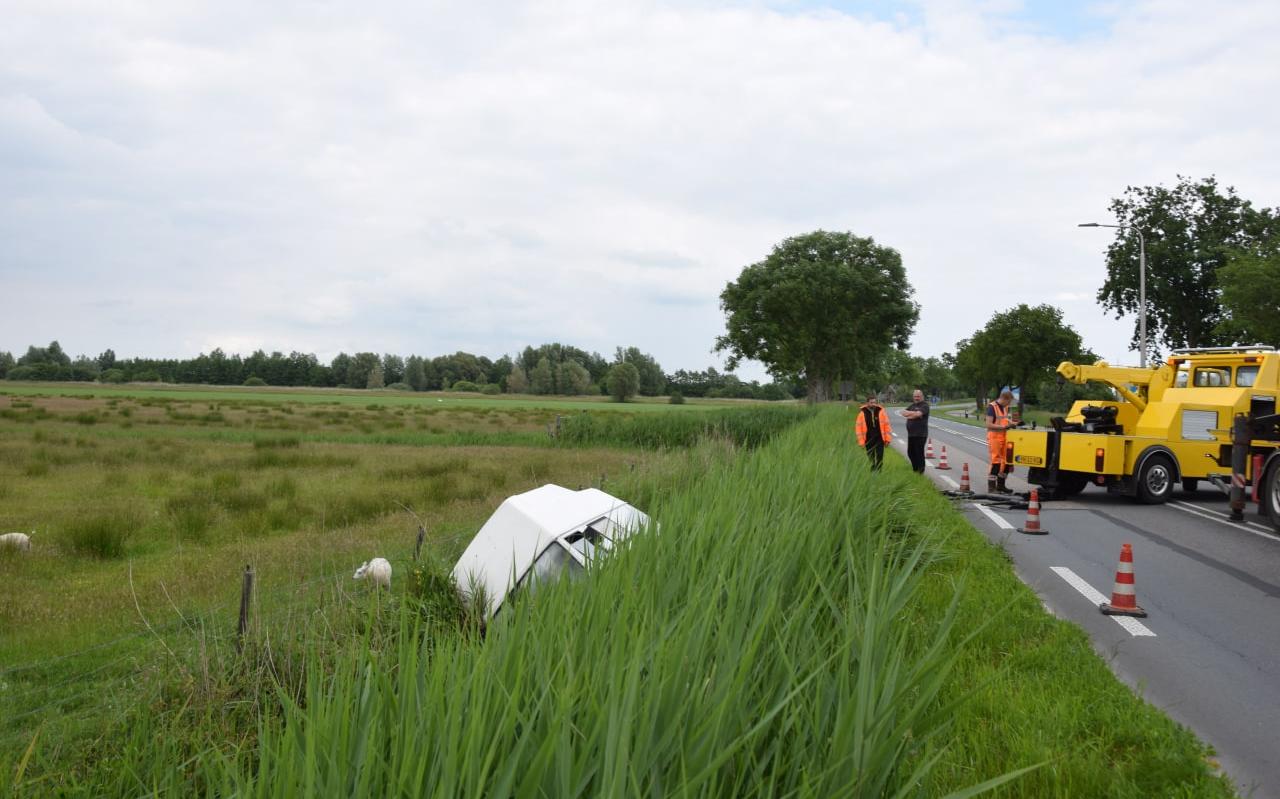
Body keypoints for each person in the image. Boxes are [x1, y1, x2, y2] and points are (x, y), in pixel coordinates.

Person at [985, 389, 1018, 493]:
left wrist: (1013, 423)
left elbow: (1004, 420)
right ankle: (991, 487)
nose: (1009, 404)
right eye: (1009, 401)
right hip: (994, 437)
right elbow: (988, 424)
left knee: (1006, 461)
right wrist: (1005, 426)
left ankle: (1001, 485)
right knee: (996, 462)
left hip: (1004, 436)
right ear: (1004, 398)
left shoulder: (1004, 407)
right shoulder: (992, 407)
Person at [855, 393, 893, 471]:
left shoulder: (881, 411)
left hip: (879, 438)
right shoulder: (862, 413)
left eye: (875, 402)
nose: (873, 404)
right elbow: (858, 429)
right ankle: (873, 471)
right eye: (871, 402)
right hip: (868, 439)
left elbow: (887, 426)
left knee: (879, 456)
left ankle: (879, 471)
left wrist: (888, 439)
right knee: (871, 457)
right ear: (867, 403)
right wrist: (861, 442)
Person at [899, 388, 930, 473]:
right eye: (915, 396)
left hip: (920, 434)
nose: (916, 398)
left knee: (919, 453)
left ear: (922, 396)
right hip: (911, 434)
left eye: (918, 396)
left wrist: (912, 414)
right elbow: (903, 412)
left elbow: (918, 414)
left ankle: (920, 471)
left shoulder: (925, 405)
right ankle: (915, 469)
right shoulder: (912, 405)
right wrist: (914, 414)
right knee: (910, 452)